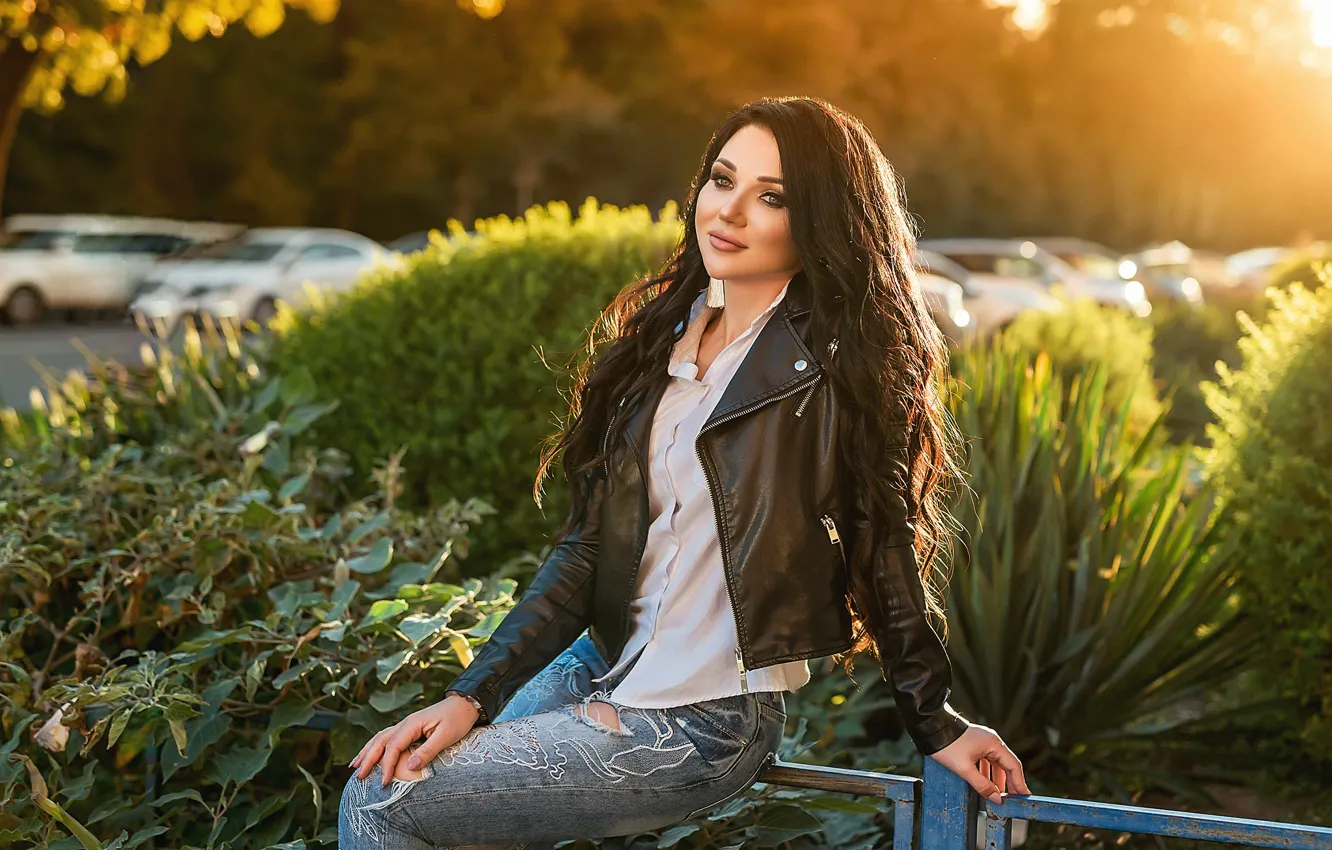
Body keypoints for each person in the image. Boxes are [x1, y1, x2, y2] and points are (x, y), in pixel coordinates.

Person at [338, 95, 1030, 849]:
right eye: (722, 180)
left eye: (771, 197)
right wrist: (470, 695)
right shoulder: (660, 343)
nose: (729, 211)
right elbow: (587, 549)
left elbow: (880, 549)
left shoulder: (835, 371)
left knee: (381, 803)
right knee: (391, 779)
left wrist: (936, 722)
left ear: (819, 220)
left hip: (706, 715)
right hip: (604, 662)